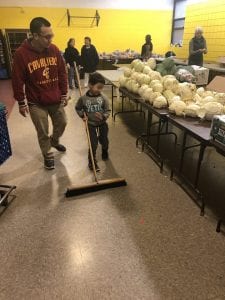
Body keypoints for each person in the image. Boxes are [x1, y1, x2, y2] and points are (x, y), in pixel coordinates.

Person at [12, 17, 68, 170]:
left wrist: (64, 93)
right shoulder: (21, 54)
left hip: (55, 98)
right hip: (36, 101)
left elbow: (62, 72)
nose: (51, 39)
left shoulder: (54, 49)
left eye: (52, 35)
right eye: (47, 36)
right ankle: (47, 153)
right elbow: (17, 79)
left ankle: (54, 141)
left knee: (62, 122)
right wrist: (21, 102)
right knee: (42, 130)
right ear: (35, 36)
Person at [75, 73, 110, 172]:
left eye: (101, 88)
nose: (99, 90)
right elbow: (78, 108)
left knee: (104, 141)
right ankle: (92, 161)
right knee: (92, 143)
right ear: (90, 85)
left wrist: (103, 116)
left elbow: (108, 110)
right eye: (98, 87)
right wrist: (82, 115)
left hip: (102, 124)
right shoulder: (83, 99)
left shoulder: (103, 98)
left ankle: (104, 150)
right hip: (90, 124)